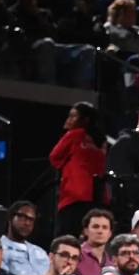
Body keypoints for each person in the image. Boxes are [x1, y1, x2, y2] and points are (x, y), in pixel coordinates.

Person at [49, 102, 107, 238]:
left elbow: (54, 157)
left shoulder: (75, 134)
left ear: (85, 120)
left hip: (75, 195)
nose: (68, 120)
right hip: (98, 197)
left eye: (73, 116)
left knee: (66, 238)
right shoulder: (103, 140)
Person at [0, 202, 50, 275]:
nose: (27, 223)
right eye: (23, 217)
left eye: (31, 220)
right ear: (10, 218)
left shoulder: (40, 252)